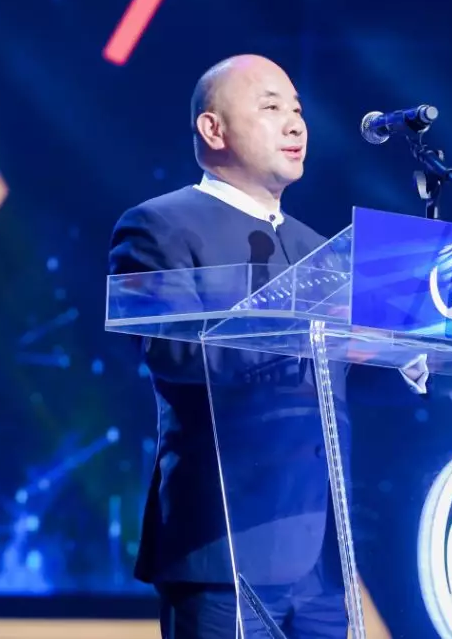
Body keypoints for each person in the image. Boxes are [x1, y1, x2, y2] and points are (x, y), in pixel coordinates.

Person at [108, 54, 426, 638]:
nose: (295, 123)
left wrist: (407, 352)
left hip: (324, 557)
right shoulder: (157, 226)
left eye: (298, 110)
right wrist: (298, 326)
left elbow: (342, 368)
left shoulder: (321, 249)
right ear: (213, 129)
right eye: (272, 107)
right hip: (224, 546)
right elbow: (170, 353)